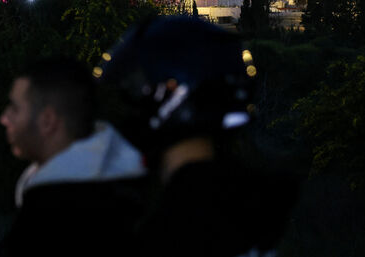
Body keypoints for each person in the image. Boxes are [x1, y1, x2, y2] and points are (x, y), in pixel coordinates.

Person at [101, 16, 298, 257]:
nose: (132, 110)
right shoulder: (259, 212)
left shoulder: (174, 233)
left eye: (138, 94)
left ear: (173, 99)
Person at [0, 57, 147, 257]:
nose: (4, 118)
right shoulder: (129, 196)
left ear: (48, 121)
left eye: (15, 108)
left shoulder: (50, 222)